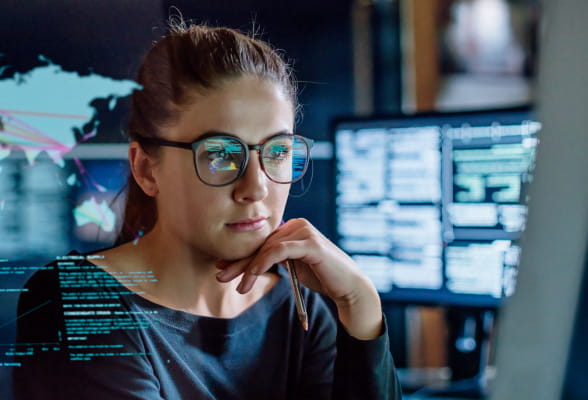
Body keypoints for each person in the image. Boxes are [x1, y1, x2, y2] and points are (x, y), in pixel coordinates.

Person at [13, 21, 402, 400]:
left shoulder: (303, 310)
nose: (256, 188)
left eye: (278, 151)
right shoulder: (77, 303)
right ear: (148, 169)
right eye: (219, 154)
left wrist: (360, 301)